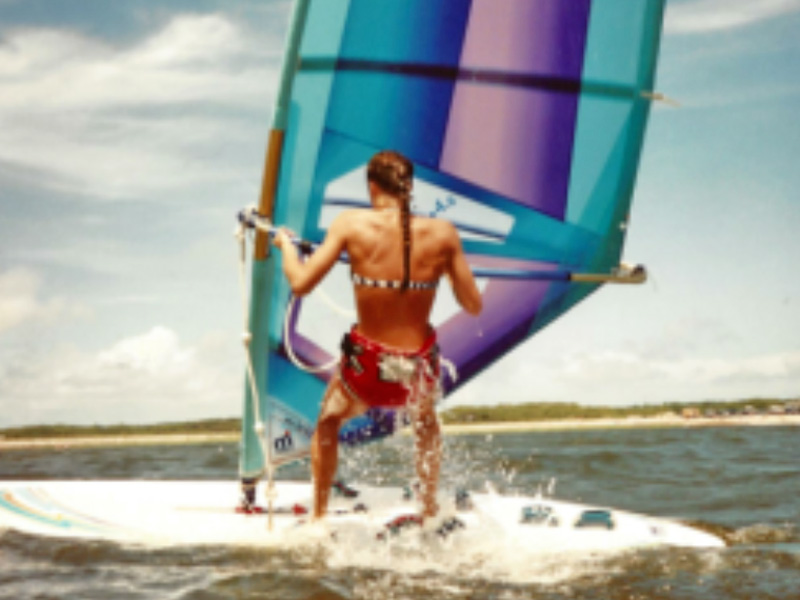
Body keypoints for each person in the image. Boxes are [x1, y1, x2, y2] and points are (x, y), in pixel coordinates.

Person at [273, 150, 482, 521]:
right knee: (425, 419)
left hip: (366, 371)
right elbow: (473, 305)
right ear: (409, 187)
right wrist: (445, 267)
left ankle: (319, 516)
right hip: (418, 370)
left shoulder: (350, 224)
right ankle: (428, 509)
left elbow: (301, 283)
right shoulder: (444, 234)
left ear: (372, 186)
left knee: (328, 422)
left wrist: (286, 247)